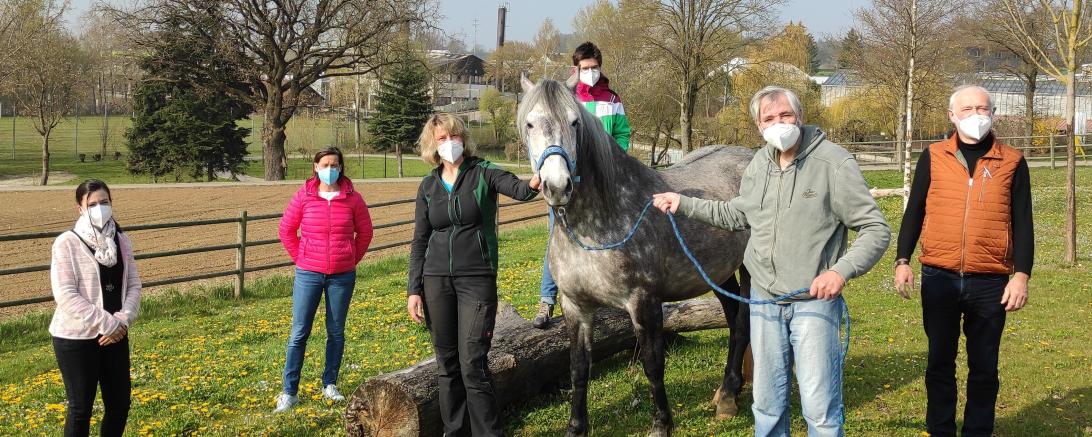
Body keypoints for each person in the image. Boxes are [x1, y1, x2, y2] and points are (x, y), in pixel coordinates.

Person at [652, 86, 890, 436]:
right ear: (758, 126)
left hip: (813, 304)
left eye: (785, 116)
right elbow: (737, 214)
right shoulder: (759, 164)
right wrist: (684, 203)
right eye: (769, 119)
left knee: (819, 408)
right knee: (767, 406)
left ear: (800, 117)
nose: (778, 124)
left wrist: (840, 271)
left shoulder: (833, 163)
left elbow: (875, 229)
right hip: (764, 302)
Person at [894, 85, 1032, 437]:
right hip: (939, 275)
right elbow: (914, 211)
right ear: (952, 116)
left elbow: (1023, 222)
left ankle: (977, 431)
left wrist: (1021, 276)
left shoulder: (1013, 161)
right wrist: (902, 259)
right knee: (939, 362)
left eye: (983, 108)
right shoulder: (934, 155)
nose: (976, 116)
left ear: (993, 113)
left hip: (990, 281)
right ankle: (940, 429)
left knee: (984, 366)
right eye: (967, 109)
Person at [406, 113, 540, 436]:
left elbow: (519, 189)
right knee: (447, 365)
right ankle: (455, 432)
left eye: (454, 136)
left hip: (476, 279)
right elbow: (420, 239)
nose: (449, 143)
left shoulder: (483, 172)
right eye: (441, 139)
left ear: (463, 138)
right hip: (435, 282)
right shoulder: (428, 186)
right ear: (433, 146)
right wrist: (414, 289)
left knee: (472, 364)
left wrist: (535, 181)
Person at [533, 40, 632, 328]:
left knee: (613, 236)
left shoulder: (612, 100)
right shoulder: (566, 99)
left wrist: (617, 160)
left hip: (605, 182)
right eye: (585, 68)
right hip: (571, 181)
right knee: (557, 239)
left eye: (595, 67)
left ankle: (611, 292)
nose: (591, 72)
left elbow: (623, 133)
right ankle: (547, 299)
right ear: (573, 70)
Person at [275, 146, 374, 412]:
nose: (331, 169)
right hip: (308, 273)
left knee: (336, 331)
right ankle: (289, 391)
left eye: (335, 165)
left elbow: (365, 233)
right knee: (299, 333)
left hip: (342, 277)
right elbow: (286, 230)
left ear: (341, 168)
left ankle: (330, 384)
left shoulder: (353, 199)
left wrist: (350, 259)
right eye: (325, 165)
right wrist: (302, 258)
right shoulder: (304, 197)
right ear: (316, 168)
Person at [50, 179, 141, 437]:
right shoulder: (66, 243)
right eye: (92, 204)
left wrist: (122, 321)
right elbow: (66, 295)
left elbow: (134, 285)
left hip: (116, 336)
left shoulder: (122, 241)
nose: (99, 208)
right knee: (81, 410)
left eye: (104, 202)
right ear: (80, 208)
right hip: (76, 339)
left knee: (120, 405)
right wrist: (108, 323)